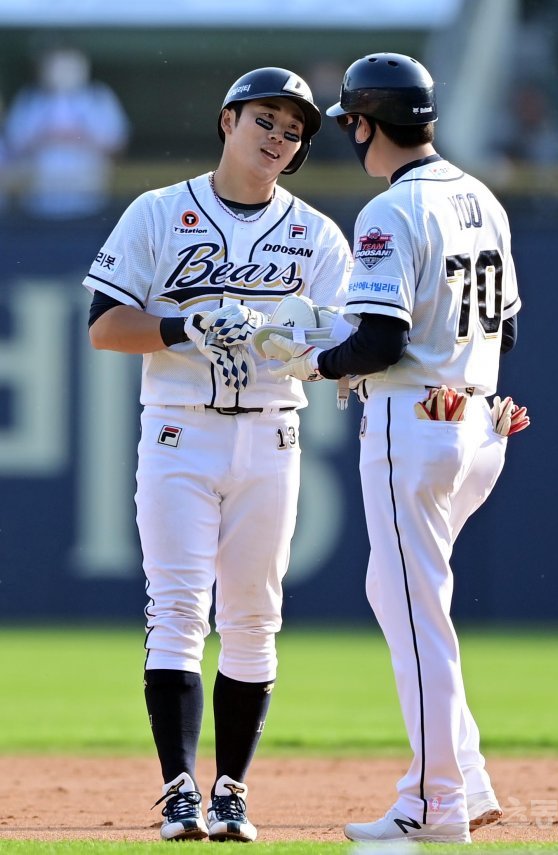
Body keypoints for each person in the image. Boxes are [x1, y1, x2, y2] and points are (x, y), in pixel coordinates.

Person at [262, 53, 526, 845]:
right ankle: (466, 776)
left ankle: (435, 804)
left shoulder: (391, 211)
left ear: (366, 124)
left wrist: (316, 360)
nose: (351, 135)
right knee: (400, 595)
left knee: (416, 614)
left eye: (350, 121)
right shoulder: (482, 197)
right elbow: (507, 328)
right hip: (476, 425)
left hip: (415, 427)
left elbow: (378, 343)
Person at [83, 67, 351, 842]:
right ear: (228, 120)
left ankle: (231, 790)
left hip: (272, 431)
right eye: (266, 119)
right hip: (179, 429)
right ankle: (178, 790)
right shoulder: (158, 211)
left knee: (254, 615)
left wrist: (300, 342)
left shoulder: (317, 234)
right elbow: (104, 326)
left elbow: (343, 338)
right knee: (175, 608)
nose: (278, 137)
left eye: (293, 131)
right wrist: (183, 327)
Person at [4, 47, 129, 219]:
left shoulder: (98, 98)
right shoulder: (30, 99)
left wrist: (78, 137)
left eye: (70, 66)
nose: (63, 73)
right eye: (56, 66)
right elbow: (13, 146)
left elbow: (116, 144)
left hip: (90, 198)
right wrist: (47, 137)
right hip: (39, 201)